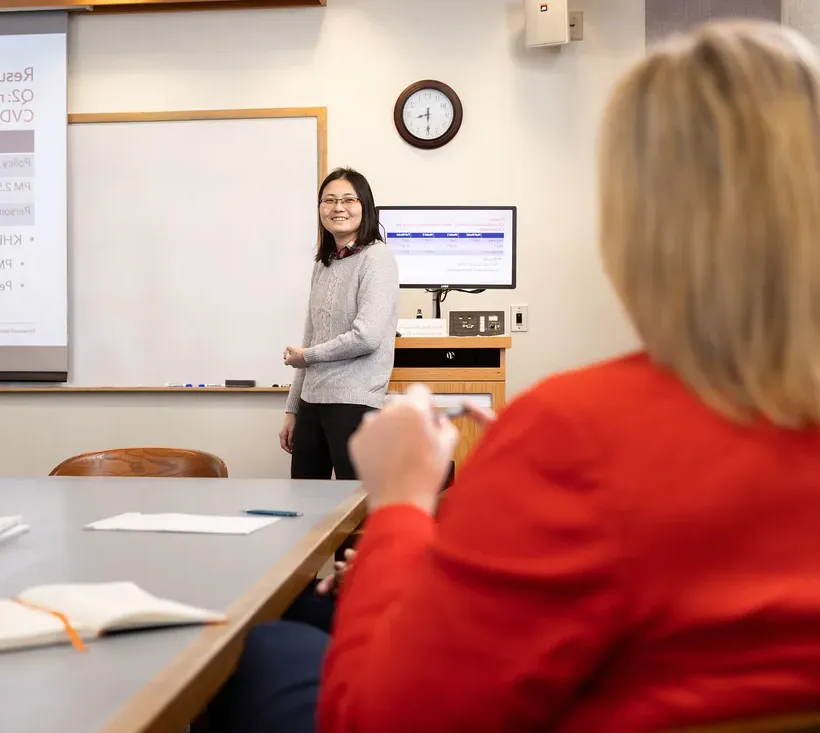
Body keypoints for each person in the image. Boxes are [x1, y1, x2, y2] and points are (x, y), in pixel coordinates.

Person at [209, 19, 820, 733]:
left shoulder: (578, 428)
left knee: (260, 636)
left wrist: (402, 503)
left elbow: (386, 712)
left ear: (636, 220)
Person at [279, 167, 399, 481]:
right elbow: (310, 336)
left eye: (348, 199)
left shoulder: (378, 258)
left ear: (365, 207)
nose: (338, 208)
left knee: (355, 508)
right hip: (311, 404)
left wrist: (307, 355)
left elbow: (367, 336)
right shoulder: (324, 263)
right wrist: (293, 409)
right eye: (329, 200)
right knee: (304, 504)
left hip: (354, 404)